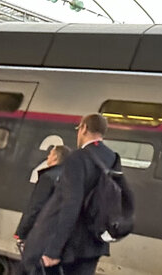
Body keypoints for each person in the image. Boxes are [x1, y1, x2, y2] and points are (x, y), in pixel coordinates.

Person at [34, 114, 122, 274]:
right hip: (96, 241)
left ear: (84, 128)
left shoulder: (77, 158)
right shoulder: (114, 157)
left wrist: (54, 249)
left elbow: (71, 205)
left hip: (72, 244)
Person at [15, 145, 71, 249]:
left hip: (41, 231)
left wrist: (21, 233)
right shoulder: (70, 177)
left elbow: (36, 206)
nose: (48, 157)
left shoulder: (48, 177)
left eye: (50, 154)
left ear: (55, 158)